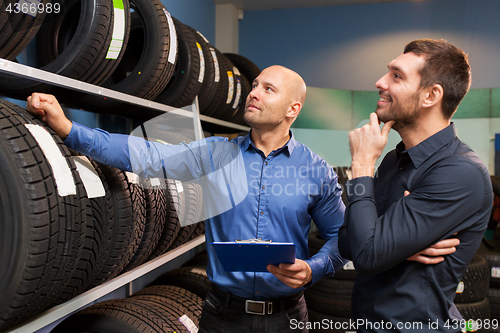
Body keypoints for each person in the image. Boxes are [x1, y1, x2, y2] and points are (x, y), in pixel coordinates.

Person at [27, 64, 455, 332]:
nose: (254, 92)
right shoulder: (216, 154)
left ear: (293, 109)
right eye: (254, 85)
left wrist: (312, 270)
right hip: (220, 316)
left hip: (288, 317)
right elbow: (145, 155)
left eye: (268, 89)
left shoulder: (316, 170)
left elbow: (343, 239)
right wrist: (70, 129)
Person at [339, 39, 492, 332]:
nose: (379, 82)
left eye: (397, 76)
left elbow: (368, 253)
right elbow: (348, 242)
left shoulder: (460, 172)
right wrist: (394, 244)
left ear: (431, 95)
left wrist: (360, 165)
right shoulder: (392, 161)